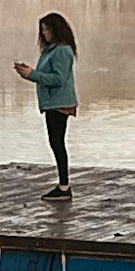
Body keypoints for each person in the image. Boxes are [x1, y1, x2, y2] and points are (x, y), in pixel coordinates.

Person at [13, 12, 80, 198]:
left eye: (46, 30)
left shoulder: (62, 50)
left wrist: (32, 75)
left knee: (57, 142)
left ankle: (64, 187)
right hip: (52, 102)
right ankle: (63, 185)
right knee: (55, 142)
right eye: (42, 31)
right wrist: (30, 72)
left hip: (59, 102)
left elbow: (59, 78)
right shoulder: (51, 50)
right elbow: (47, 74)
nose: (44, 34)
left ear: (56, 29)